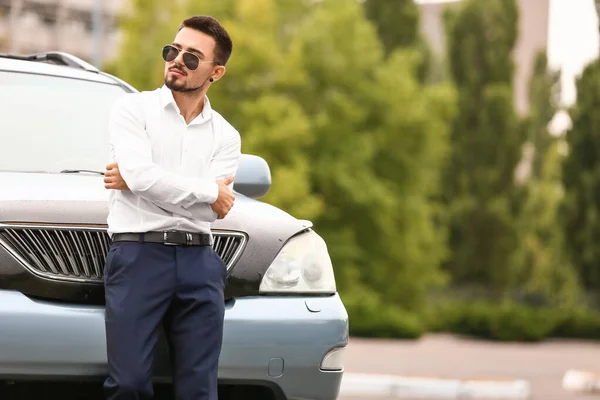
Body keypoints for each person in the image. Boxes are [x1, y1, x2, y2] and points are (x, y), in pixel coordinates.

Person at [101, 15, 241, 400]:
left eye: (193, 57)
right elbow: (147, 178)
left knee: (199, 391)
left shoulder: (226, 136)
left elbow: (213, 212)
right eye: (173, 50)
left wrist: (142, 182)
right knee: (128, 384)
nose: (177, 60)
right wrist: (207, 191)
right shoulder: (132, 110)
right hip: (137, 255)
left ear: (217, 72)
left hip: (201, 263)